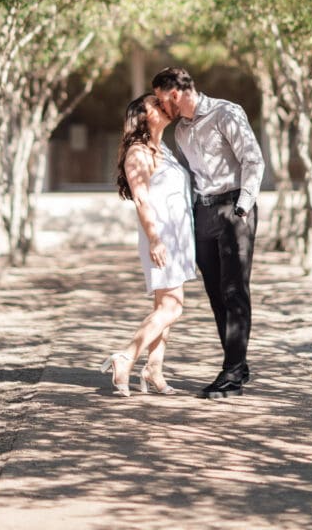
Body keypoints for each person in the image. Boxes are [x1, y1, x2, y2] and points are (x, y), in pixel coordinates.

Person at [152, 66, 264, 400]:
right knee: (216, 295)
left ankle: (231, 374)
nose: (160, 108)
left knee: (234, 291)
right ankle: (238, 364)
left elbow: (253, 160)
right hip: (203, 213)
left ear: (175, 94)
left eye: (161, 101)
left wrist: (242, 207)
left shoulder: (225, 113)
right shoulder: (181, 132)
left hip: (234, 207)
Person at [100, 93, 196, 397]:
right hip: (161, 236)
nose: (163, 106)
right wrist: (155, 238)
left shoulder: (163, 149)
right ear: (142, 117)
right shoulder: (138, 153)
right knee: (173, 307)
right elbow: (141, 199)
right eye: (155, 105)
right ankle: (125, 357)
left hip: (179, 236)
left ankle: (154, 369)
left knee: (163, 306)